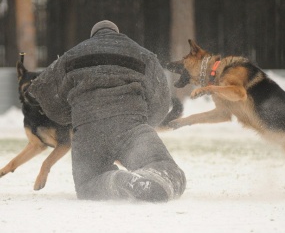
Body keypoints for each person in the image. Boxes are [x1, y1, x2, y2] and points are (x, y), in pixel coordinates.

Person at [28, 20, 186, 202]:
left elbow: (42, 89)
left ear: (93, 36)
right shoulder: (144, 55)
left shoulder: (70, 56)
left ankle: (117, 182)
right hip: (131, 128)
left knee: (88, 184)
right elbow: (161, 102)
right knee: (164, 167)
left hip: (88, 133)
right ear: (116, 33)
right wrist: (144, 122)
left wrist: (71, 118)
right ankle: (160, 180)